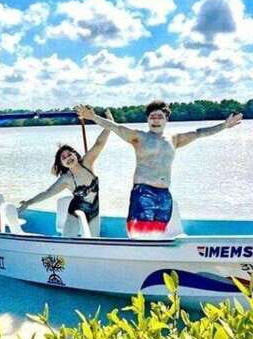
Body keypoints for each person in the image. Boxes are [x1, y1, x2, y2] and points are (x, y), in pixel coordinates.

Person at [75, 102, 242, 238]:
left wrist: (224, 125)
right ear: (147, 119)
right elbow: (115, 127)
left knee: (157, 235)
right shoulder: (139, 137)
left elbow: (199, 133)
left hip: (164, 195)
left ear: (166, 119)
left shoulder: (175, 140)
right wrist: (93, 117)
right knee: (140, 234)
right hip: (143, 192)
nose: (156, 120)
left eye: (159, 117)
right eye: (152, 117)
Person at [17, 110, 114, 237]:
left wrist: (110, 124)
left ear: (75, 154)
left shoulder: (87, 163)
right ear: (62, 164)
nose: (68, 158)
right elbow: (47, 193)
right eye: (64, 158)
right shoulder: (66, 179)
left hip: (94, 210)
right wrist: (28, 202)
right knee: (68, 240)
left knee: (94, 241)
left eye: (69, 154)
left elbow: (99, 143)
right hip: (75, 212)